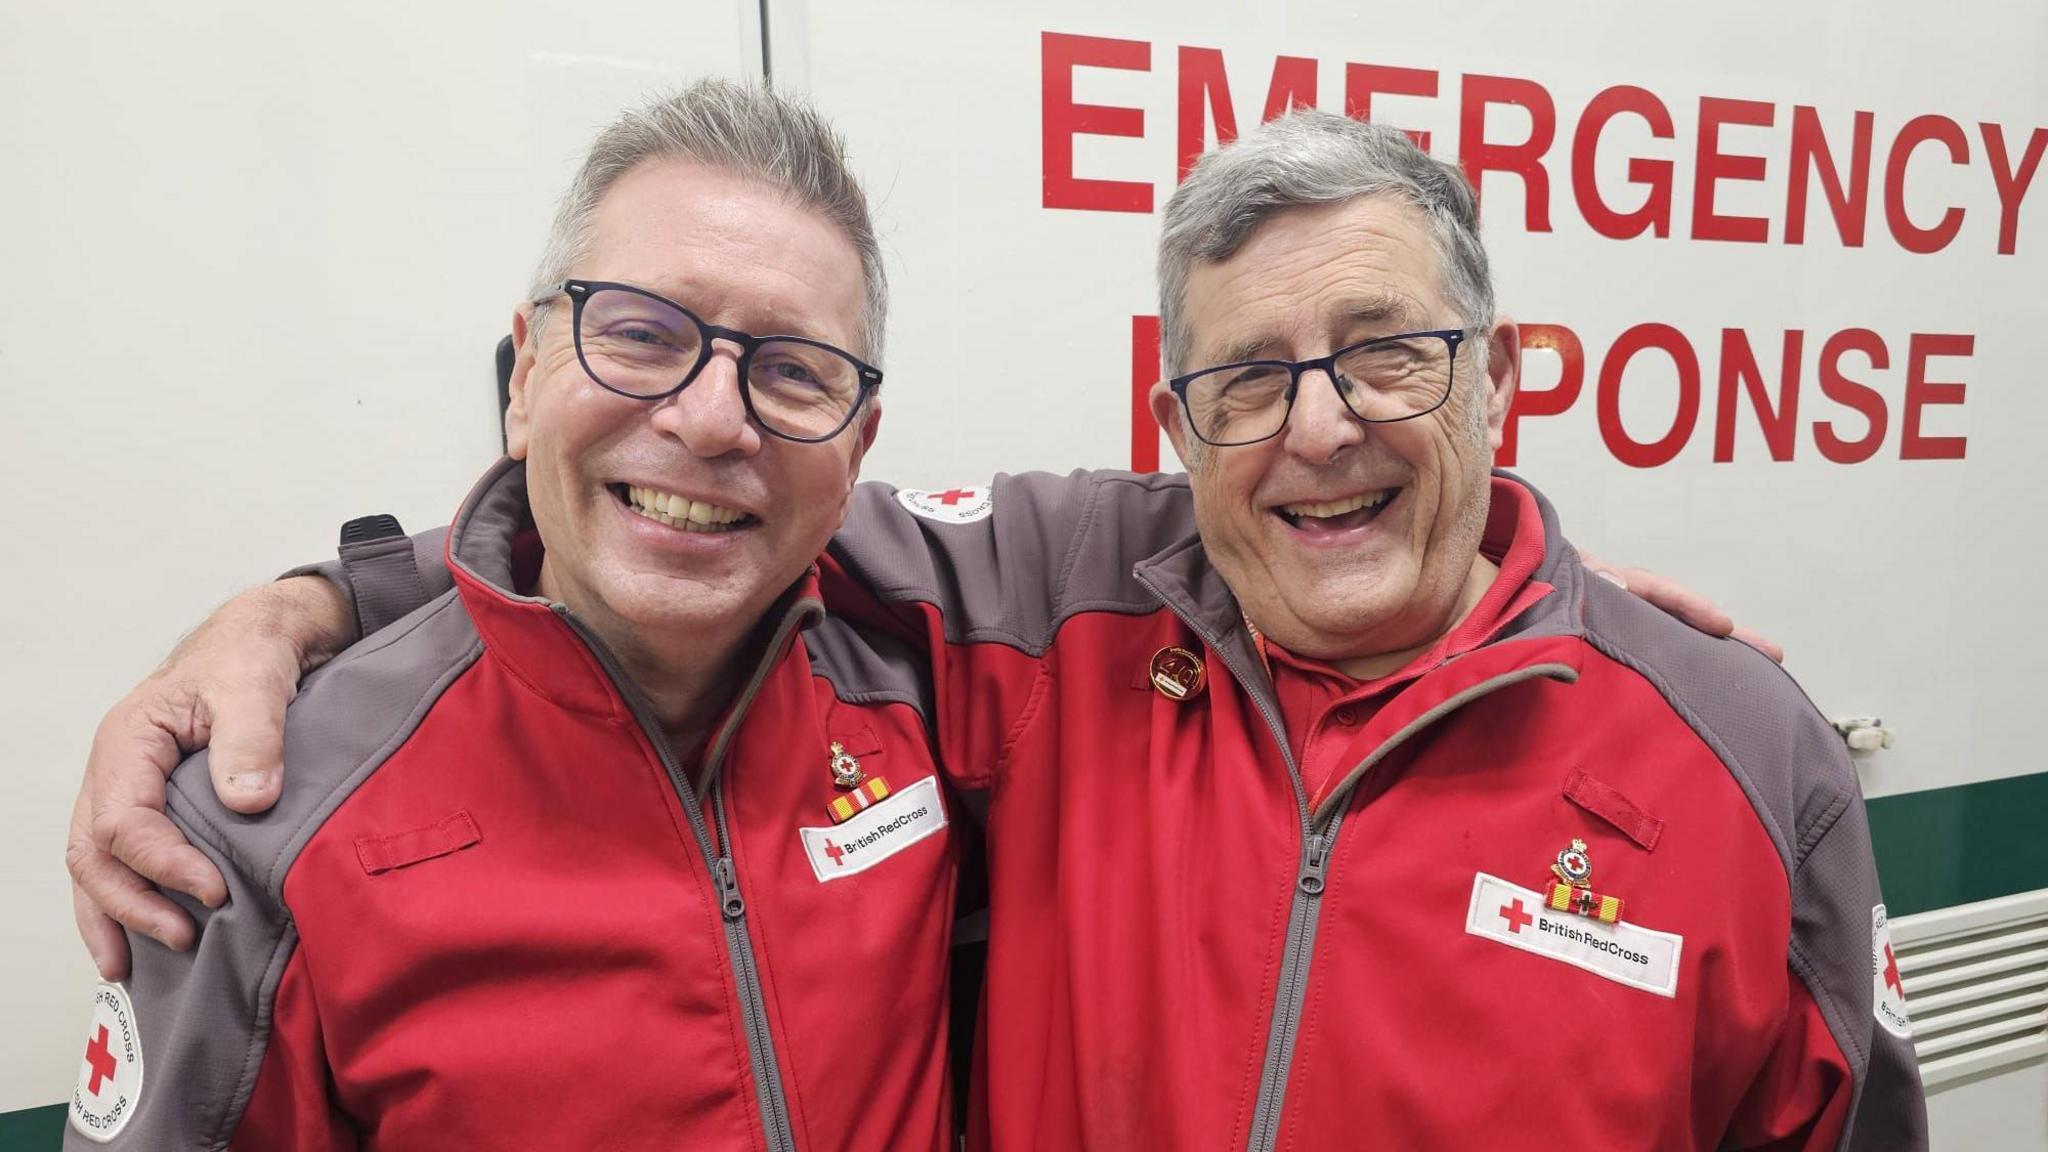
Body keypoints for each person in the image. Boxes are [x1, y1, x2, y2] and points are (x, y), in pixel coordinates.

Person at [71, 109, 1918, 1149]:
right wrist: (325, 603)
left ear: (1498, 378)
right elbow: (676, 525)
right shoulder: (1067, 619)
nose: (1320, 426)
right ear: (1176, 425)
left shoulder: (1741, 758)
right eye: (1244, 379)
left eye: (1384, 356)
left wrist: (1630, 652)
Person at [61, 81, 962, 1150]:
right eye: (640, 333)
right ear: (526, 374)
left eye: (796, 372)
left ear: (857, 448)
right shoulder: (265, 818)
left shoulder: (936, 697)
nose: (714, 420)